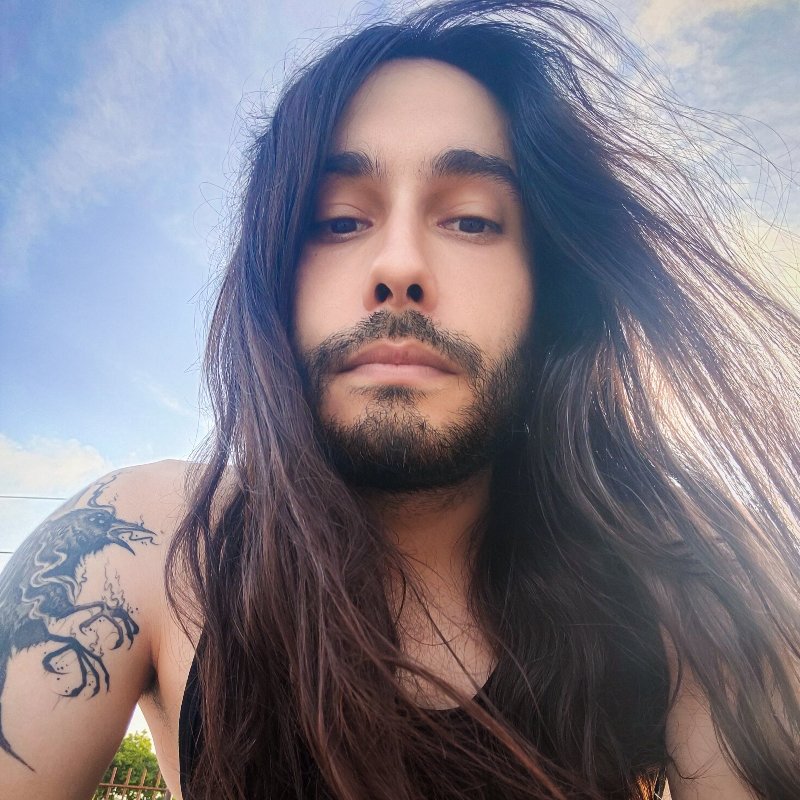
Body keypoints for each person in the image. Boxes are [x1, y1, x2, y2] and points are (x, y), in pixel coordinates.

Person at [1, 1, 798, 798]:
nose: (399, 264)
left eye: (472, 221)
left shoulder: (684, 570)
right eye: (339, 220)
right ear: (274, 280)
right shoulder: (140, 546)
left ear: (547, 291)